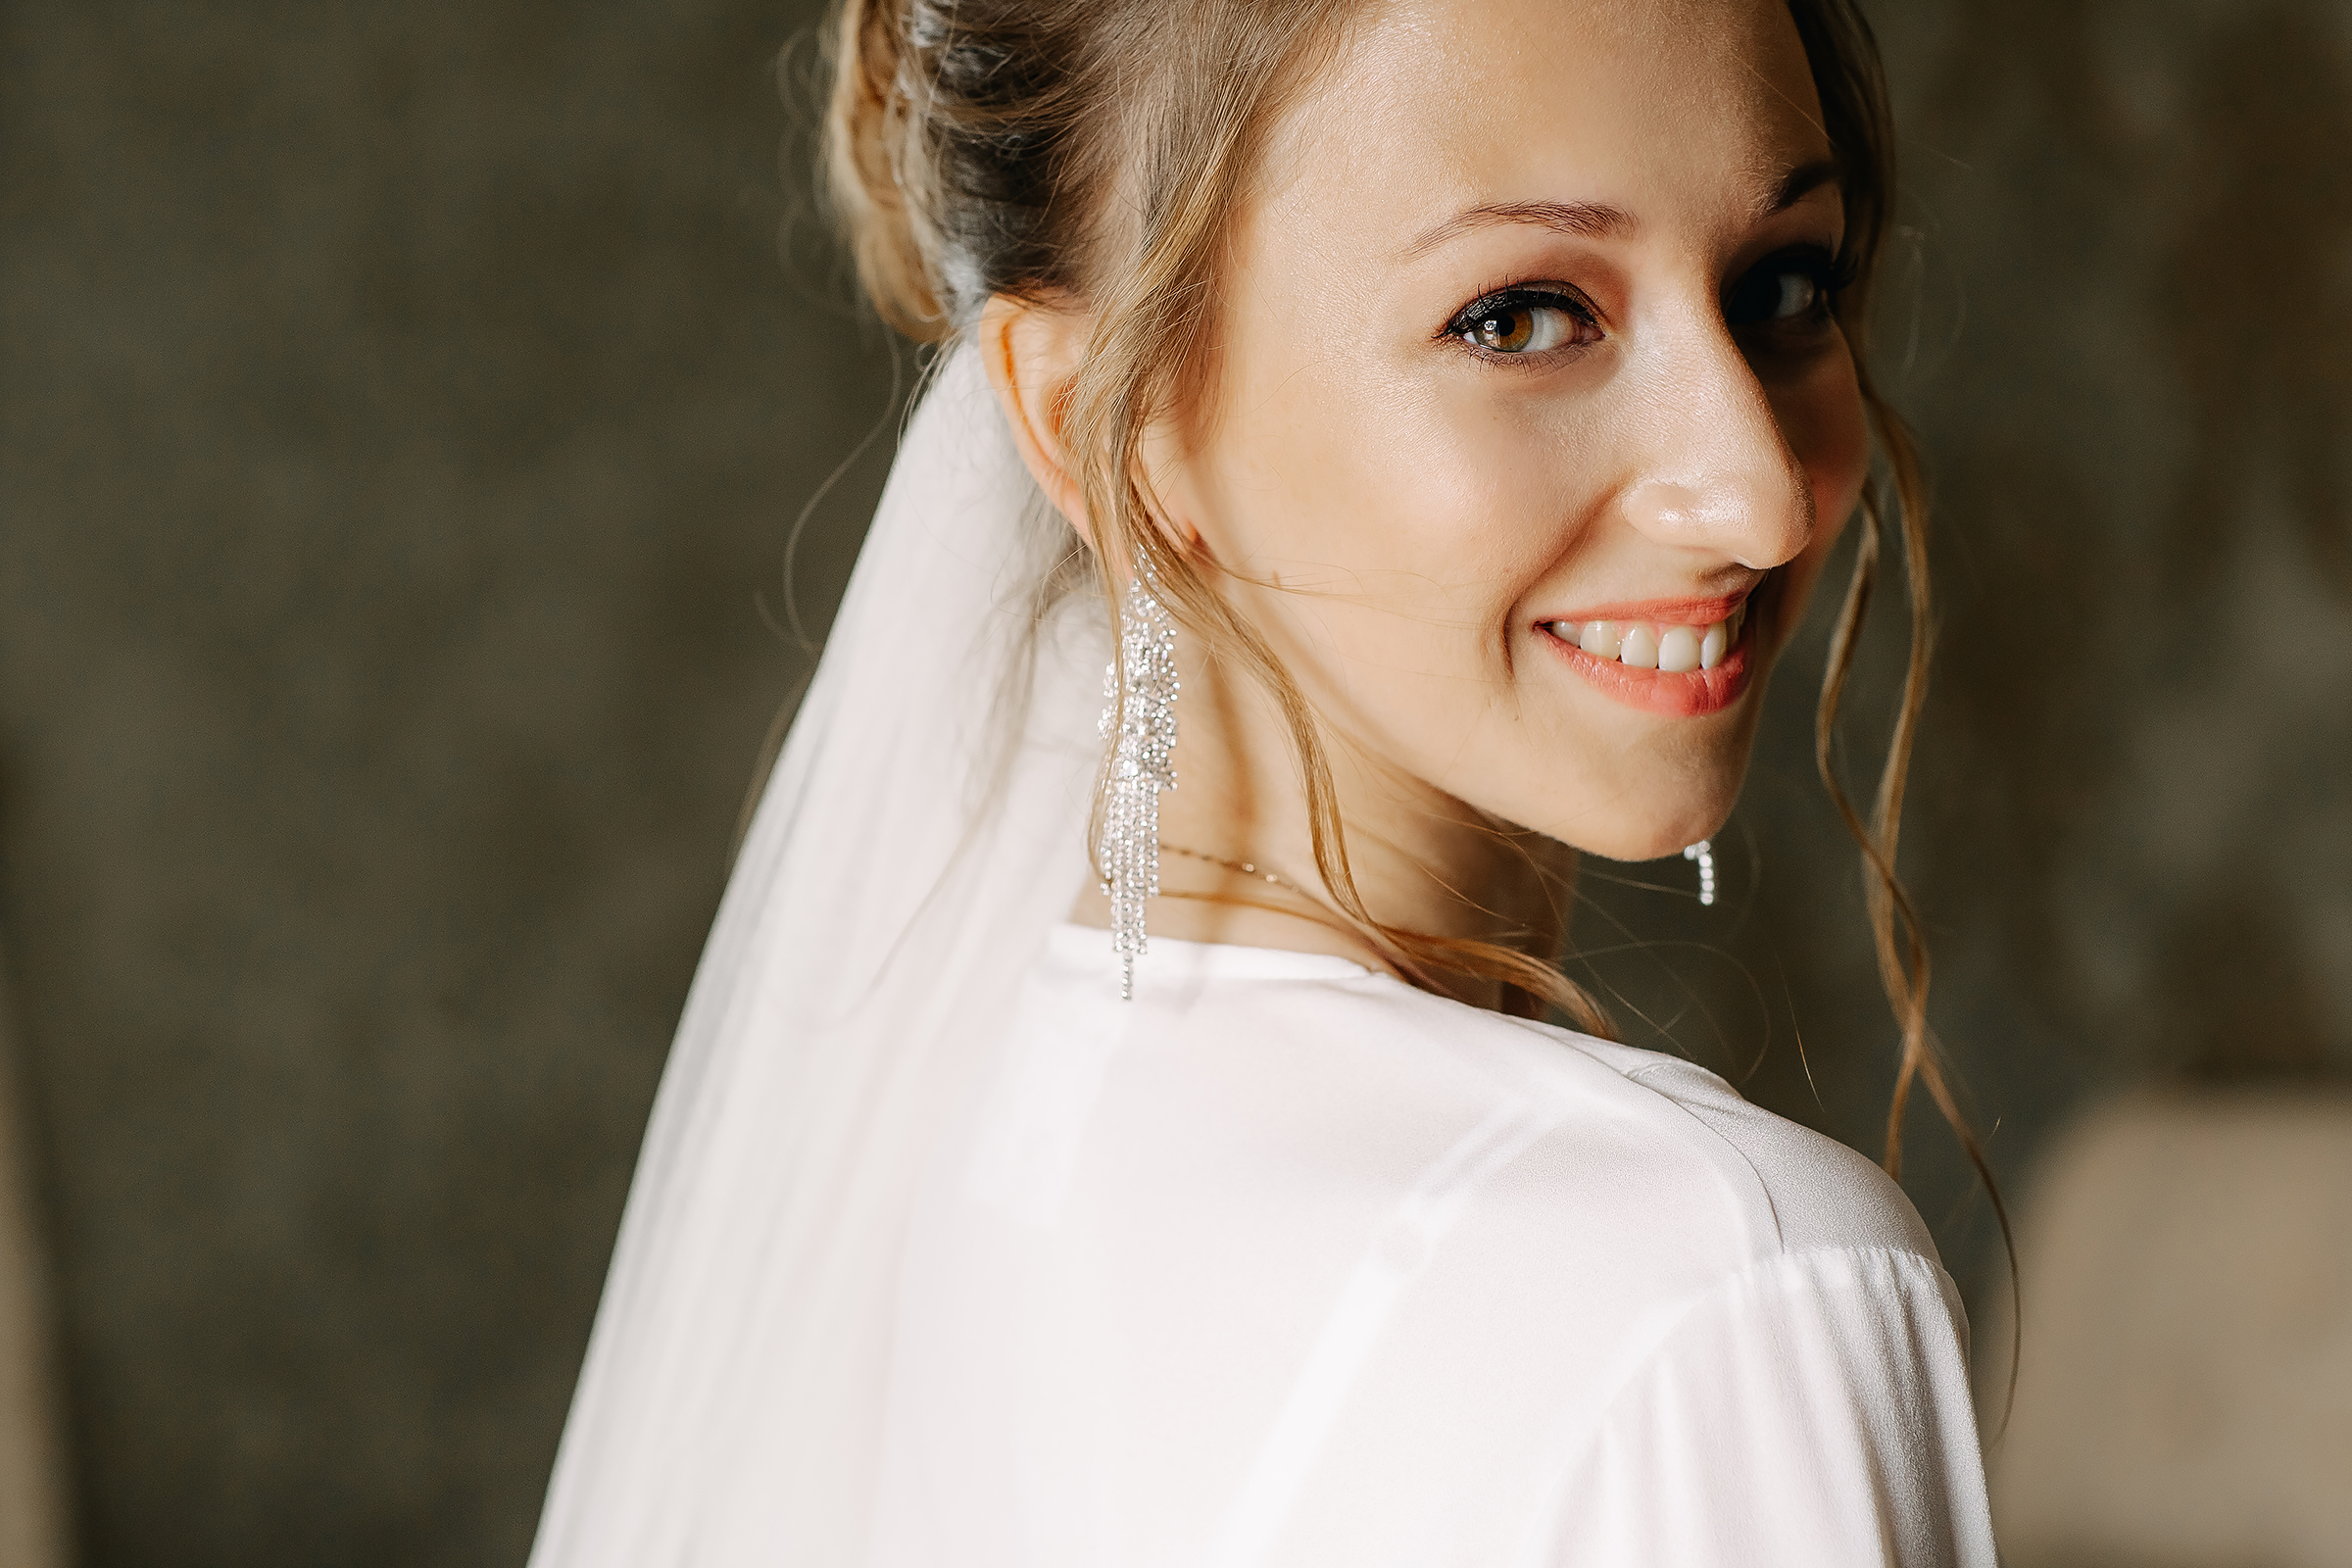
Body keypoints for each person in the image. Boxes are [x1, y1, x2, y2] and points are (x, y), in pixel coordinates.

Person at [529, 0, 1999, 1561]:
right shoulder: (1726, 1292)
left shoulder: (958, 1150)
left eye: (1785, 284)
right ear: (1111, 423)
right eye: (1519, 318)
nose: (1760, 495)